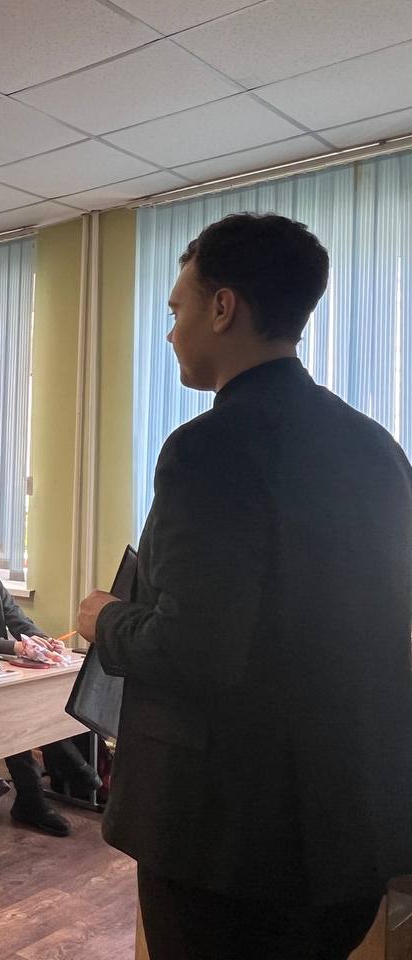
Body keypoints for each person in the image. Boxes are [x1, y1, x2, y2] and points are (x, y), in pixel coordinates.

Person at [77, 213, 412, 960]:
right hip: (350, 830)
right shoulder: (379, 449)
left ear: (223, 307)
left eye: (178, 310)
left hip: (229, 844)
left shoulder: (208, 449)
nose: (170, 333)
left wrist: (105, 619)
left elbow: (194, 648)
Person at [0, 525, 100, 837]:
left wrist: (45, 641)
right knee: (13, 716)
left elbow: (19, 621)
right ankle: (50, 785)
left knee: (35, 704)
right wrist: (15, 647)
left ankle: (59, 777)